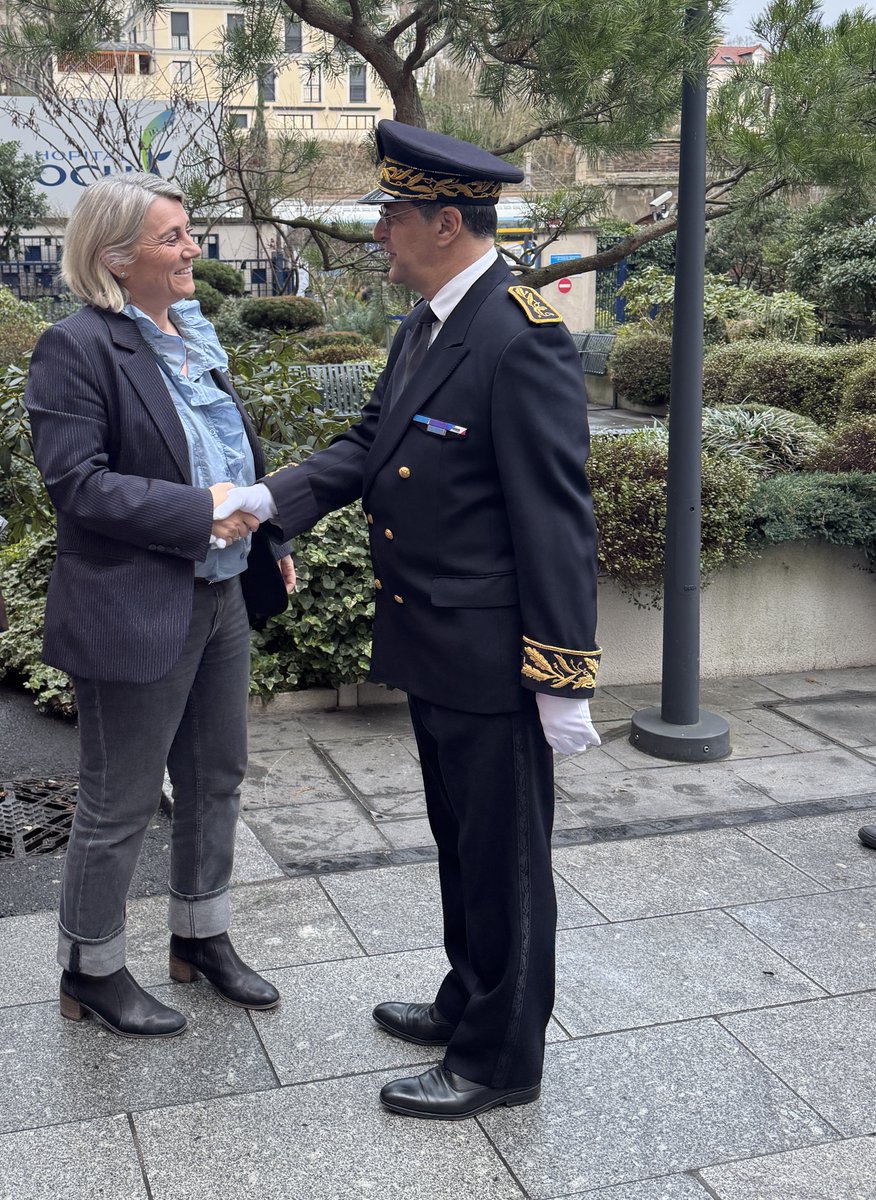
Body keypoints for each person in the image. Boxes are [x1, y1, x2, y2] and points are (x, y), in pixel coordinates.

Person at [216, 120, 602, 1118]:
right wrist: (271, 499)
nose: (379, 234)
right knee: (462, 840)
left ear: (440, 221)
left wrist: (562, 678)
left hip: (492, 652)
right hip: (432, 638)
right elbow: (369, 440)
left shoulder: (521, 334)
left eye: (390, 216)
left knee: (506, 860)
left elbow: (556, 521)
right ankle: (467, 998)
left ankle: (500, 1059)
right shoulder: (428, 321)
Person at [25, 173, 293, 1039]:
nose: (192, 250)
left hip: (219, 596)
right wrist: (204, 512)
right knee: (121, 800)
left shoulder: (193, 335)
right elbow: (79, 486)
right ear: (115, 258)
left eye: (189, 233)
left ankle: (199, 938)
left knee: (216, 778)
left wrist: (270, 543)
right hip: (135, 605)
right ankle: (91, 970)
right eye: (174, 237)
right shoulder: (76, 347)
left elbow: (231, 453)